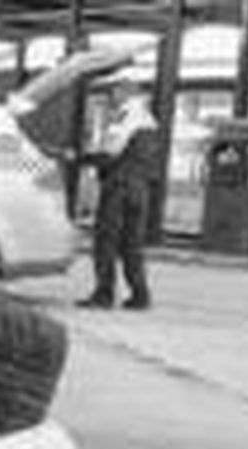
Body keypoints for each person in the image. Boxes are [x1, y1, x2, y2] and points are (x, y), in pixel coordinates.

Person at [75, 78, 161, 311]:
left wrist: (79, 158)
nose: (110, 98)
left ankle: (104, 295)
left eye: (113, 93)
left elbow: (110, 154)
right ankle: (140, 295)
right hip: (140, 190)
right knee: (132, 243)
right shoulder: (149, 119)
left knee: (106, 241)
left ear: (125, 93)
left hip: (119, 188)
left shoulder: (124, 116)